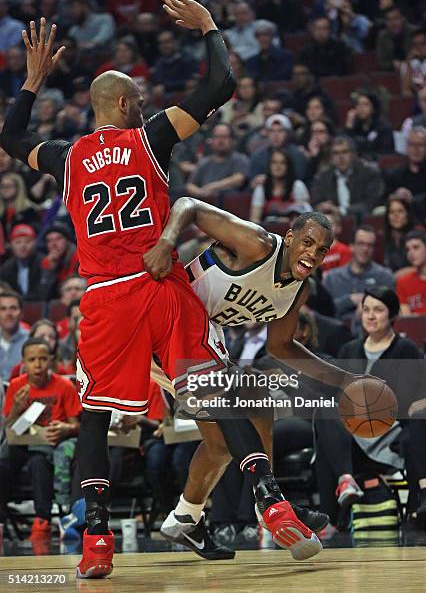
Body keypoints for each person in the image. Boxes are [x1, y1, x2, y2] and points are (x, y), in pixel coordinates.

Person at [0, 0, 319, 576]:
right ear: (123, 105)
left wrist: (31, 81)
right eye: (140, 100)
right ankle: (271, 502)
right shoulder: (149, 137)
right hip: (162, 286)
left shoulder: (66, 158)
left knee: (95, 414)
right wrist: (210, 29)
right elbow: (220, 85)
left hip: (106, 297)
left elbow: (11, 136)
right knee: (215, 396)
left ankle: (96, 538)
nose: (146, 104)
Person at [143, 203, 379, 561]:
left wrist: (348, 380)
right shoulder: (256, 244)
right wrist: (166, 241)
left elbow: (281, 347)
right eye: (307, 243)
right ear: (289, 238)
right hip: (168, 326)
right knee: (247, 390)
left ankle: (185, 518)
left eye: (321, 250)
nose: (312, 254)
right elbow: (188, 206)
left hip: (203, 341)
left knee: (225, 441)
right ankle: (269, 501)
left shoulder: (298, 290)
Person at [315, 287, 425, 527]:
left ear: (393, 315)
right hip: (353, 437)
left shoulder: (405, 350)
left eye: (378, 310)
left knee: (328, 437)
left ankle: (331, 518)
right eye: (366, 310)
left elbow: (409, 404)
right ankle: (346, 482)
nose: (371, 316)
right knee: (323, 412)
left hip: (387, 436)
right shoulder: (348, 350)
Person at [0, 337, 81, 540]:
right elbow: (9, 427)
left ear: (51, 361)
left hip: (52, 444)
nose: (37, 365)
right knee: (3, 463)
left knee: (38, 461)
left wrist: (66, 429)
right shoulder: (17, 386)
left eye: (43, 359)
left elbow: (78, 426)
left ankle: (42, 521)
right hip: (24, 443)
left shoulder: (64, 386)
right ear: (24, 363)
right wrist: (17, 408)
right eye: (32, 359)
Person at [324, 225, 395, 327]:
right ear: (352, 246)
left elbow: (391, 311)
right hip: (337, 334)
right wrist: (350, 300)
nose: (365, 249)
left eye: (369, 245)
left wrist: (368, 307)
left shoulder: (384, 277)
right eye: (360, 244)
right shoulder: (332, 278)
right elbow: (325, 312)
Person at [311, 136, 384, 218]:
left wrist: (342, 210)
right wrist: (321, 206)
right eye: (336, 153)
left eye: (345, 152)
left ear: (353, 154)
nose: (341, 157)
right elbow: (316, 202)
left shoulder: (369, 173)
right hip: (332, 222)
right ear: (331, 157)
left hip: (363, 220)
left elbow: (370, 203)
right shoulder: (322, 177)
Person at [249, 149, 311, 224]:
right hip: (268, 231)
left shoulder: (297, 186)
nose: (278, 166)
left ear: (288, 166)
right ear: (269, 166)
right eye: (274, 162)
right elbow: (254, 220)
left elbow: (306, 218)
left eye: (282, 163)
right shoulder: (261, 188)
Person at [0, 290, 29, 381]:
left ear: (21, 313)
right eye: (3, 309)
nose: (8, 313)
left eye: (13, 308)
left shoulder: (31, 340)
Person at [396, 230, 426, 314]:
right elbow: (407, 319)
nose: (411, 253)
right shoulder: (403, 282)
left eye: (416, 247)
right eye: (408, 249)